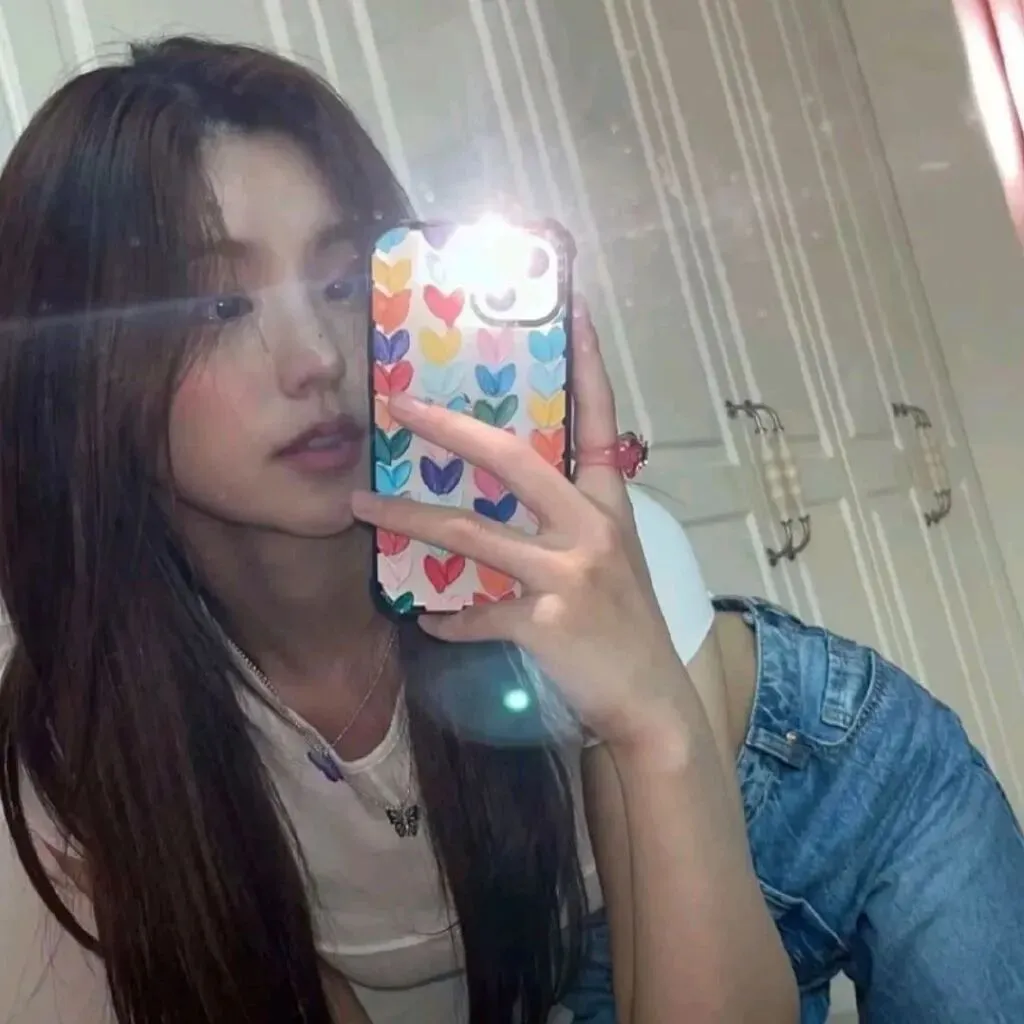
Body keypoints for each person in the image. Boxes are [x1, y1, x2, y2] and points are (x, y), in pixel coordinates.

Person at [0, 34, 1021, 1024]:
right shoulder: (102, 734)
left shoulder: (562, 555)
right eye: (219, 305)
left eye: (345, 281)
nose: (316, 357)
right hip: (591, 934)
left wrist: (647, 714)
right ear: (72, 372)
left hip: (822, 776)